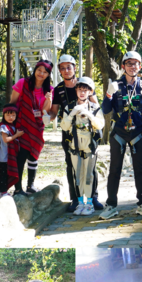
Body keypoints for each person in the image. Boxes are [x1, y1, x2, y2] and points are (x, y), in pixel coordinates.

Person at [100, 51, 142, 219]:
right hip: (119, 133)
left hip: (139, 132)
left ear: (140, 66)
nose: (133, 66)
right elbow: (106, 110)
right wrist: (109, 94)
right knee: (115, 169)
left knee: (141, 169)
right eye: (129, 63)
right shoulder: (115, 85)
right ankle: (111, 204)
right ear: (123, 66)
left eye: (136, 63)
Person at [51, 54, 102, 212]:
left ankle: (93, 198)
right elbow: (54, 112)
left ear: (74, 68)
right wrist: (44, 116)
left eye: (69, 67)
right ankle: (76, 199)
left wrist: (90, 115)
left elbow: (95, 106)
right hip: (69, 131)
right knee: (72, 166)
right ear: (59, 70)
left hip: (88, 129)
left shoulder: (84, 84)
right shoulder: (58, 89)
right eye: (62, 67)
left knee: (90, 167)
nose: (66, 70)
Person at [59, 76, 105, 216]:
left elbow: (100, 125)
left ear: (90, 92)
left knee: (88, 176)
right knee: (77, 176)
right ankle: (80, 203)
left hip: (90, 148)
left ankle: (89, 203)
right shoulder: (69, 107)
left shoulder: (95, 108)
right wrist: (72, 113)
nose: (82, 92)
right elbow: (64, 126)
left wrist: (90, 116)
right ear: (76, 91)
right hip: (75, 147)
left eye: (86, 90)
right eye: (80, 89)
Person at [9, 60, 54, 194]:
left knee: (34, 155)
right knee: (21, 155)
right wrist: (10, 125)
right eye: (39, 70)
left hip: (37, 127)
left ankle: (31, 185)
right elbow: (12, 103)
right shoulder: (23, 83)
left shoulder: (49, 89)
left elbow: (45, 112)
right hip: (21, 124)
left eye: (45, 72)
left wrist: (49, 100)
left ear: (48, 74)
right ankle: (17, 189)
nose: (41, 73)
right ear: (35, 70)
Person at [0, 104, 23, 198]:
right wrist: (16, 135)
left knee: (5, 174)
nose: (11, 117)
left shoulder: (12, 126)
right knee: (3, 175)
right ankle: (3, 192)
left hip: (10, 156)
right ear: (3, 115)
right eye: (8, 115)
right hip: (4, 156)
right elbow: (6, 139)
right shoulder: (4, 127)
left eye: (13, 115)